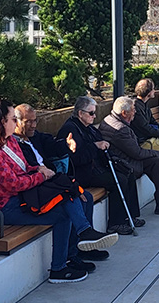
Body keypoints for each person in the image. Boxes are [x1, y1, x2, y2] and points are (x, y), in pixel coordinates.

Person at [0, 99, 117, 284]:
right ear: (1, 122)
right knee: (63, 212)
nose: (15, 123)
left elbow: (24, 167)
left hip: (23, 198)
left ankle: (74, 250)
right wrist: (42, 177)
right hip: (3, 208)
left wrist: (38, 170)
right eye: (12, 119)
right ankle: (63, 263)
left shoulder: (9, 143)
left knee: (70, 195)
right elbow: (14, 184)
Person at [13, 103, 107, 268]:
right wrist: (42, 172)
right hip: (36, 188)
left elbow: (52, 144)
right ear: (15, 122)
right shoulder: (15, 144)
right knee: (70, 200)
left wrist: (66, 144)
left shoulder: (34, 136)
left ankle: (80, 246)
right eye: (28, 122)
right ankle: (75, 248)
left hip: (48, 182)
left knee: (86, 197)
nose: (33, 125)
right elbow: (25, 169)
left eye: (35, 121)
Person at [60, 96, 149, 235]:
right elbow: (77, 158)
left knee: (127, 172)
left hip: (97, 167)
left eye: (94, 113)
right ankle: (116, 223)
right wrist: (95, 146)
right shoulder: (71, 129)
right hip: (83, 173)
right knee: (119, 180)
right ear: (80, 113)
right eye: (91, 113)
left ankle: (130, 215)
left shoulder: (88, 127)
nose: (94, 116)